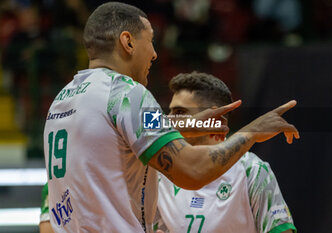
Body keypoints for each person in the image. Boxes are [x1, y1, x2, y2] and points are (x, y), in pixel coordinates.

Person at [43, 2, 299, 232]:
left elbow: (115, 132)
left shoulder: (62, 100)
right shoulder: (127, 93)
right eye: (150, 40)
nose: (154, 53)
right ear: (127, 42)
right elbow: (191, 171)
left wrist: (191, 124)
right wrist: (252, 131)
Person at [154, 72, 296, 233]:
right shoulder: (160, 172)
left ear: (213, 117)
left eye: (179, 112)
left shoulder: (252, 170)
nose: (169, 120)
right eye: (169, 113)